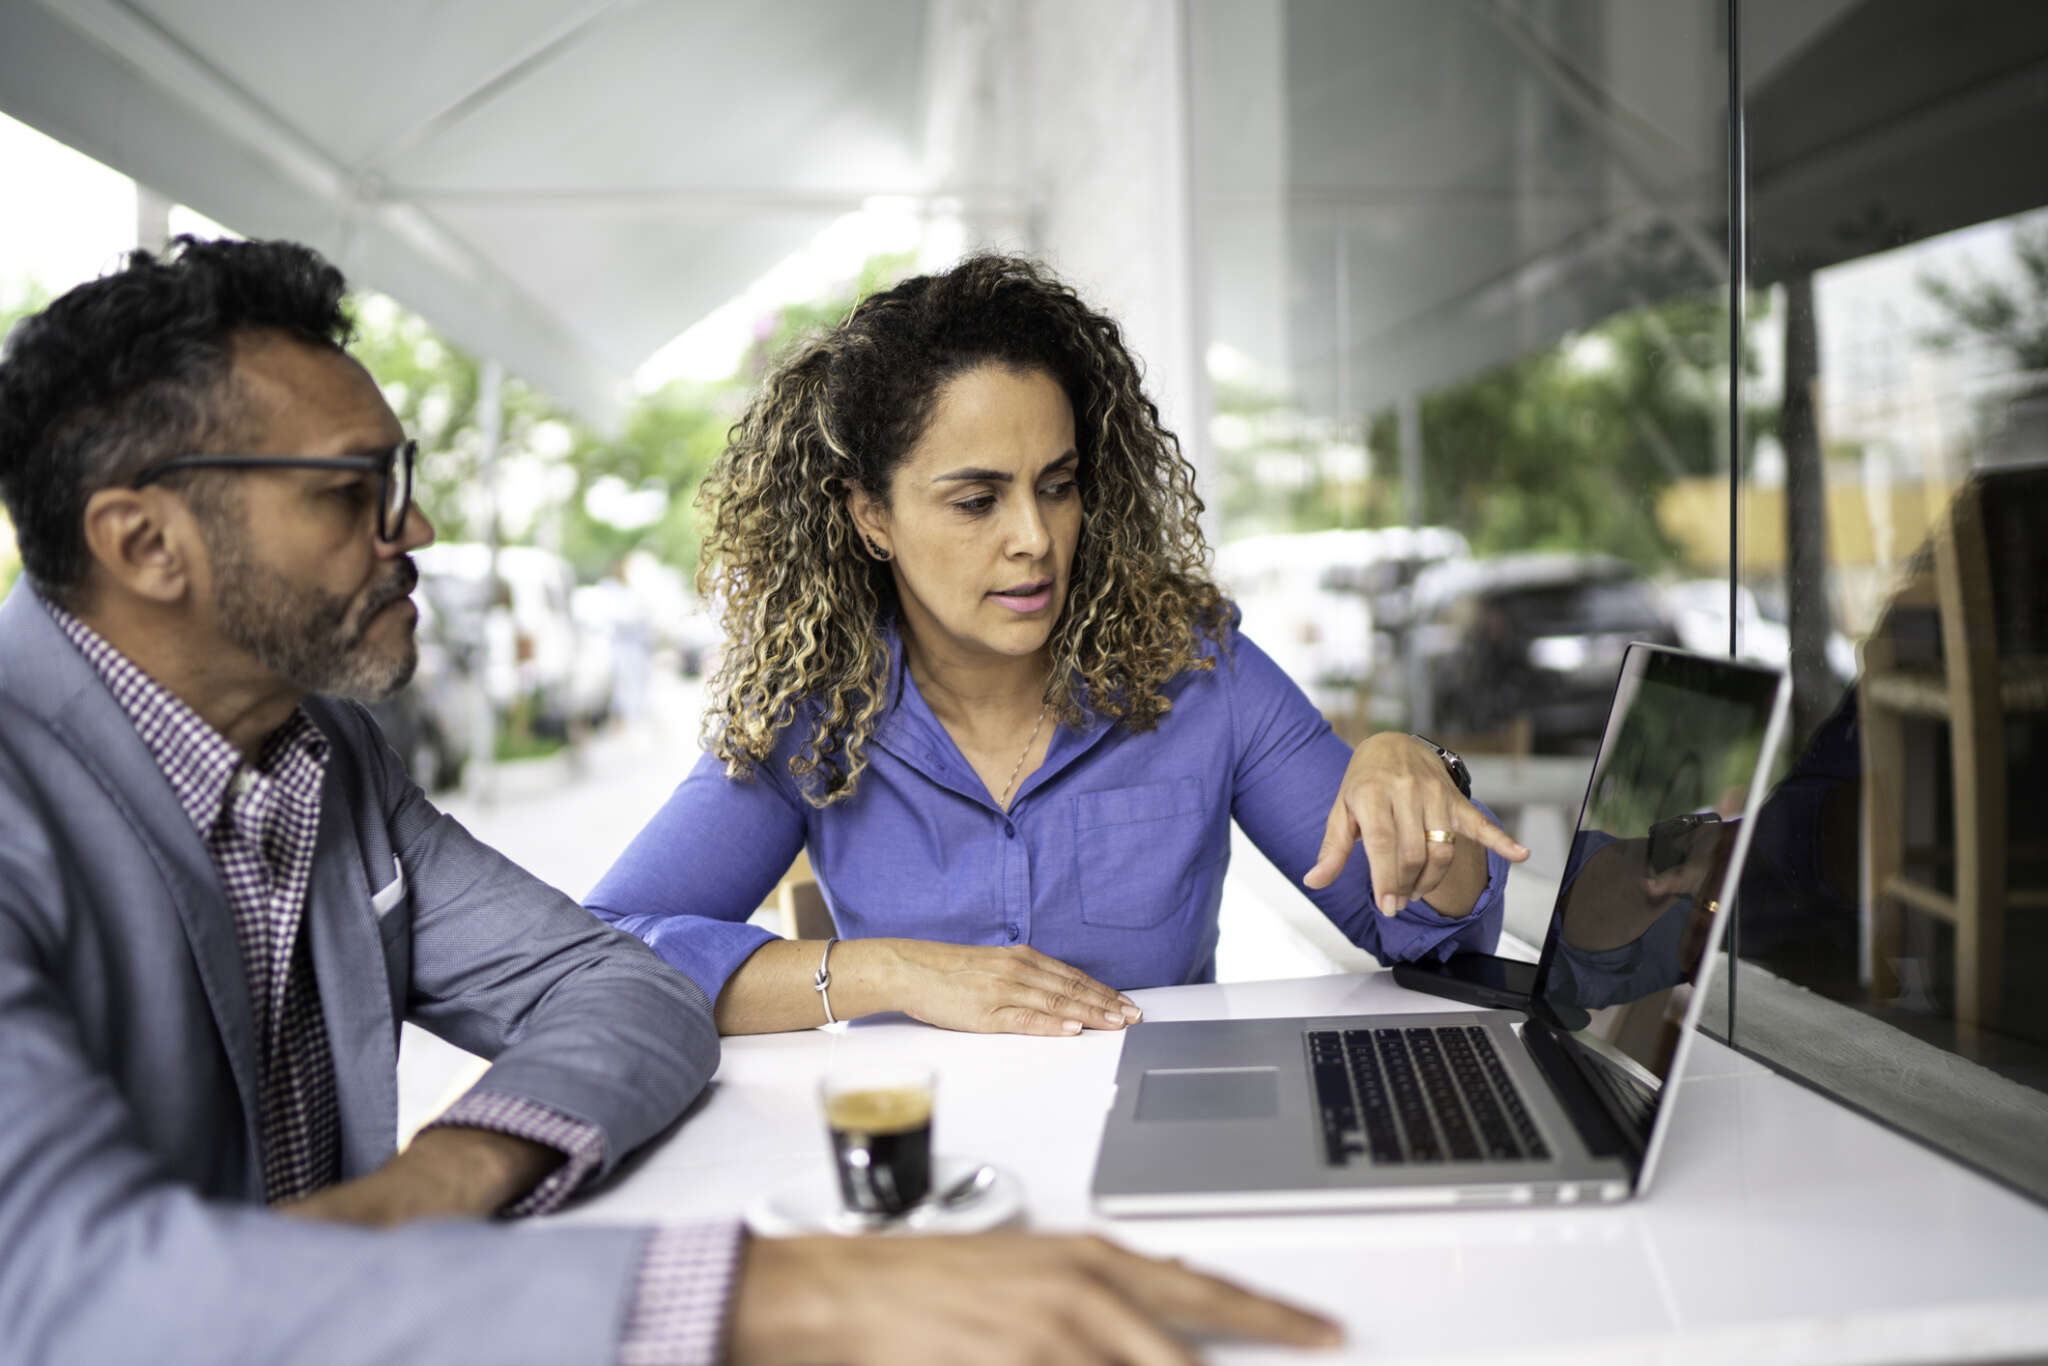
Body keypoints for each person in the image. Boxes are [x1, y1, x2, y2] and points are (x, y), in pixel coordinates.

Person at [0, 237, 1339, 1363]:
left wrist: (427, 1188)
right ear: (143, 542)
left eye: (1055, 486)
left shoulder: (329, 761)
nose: (416, 530)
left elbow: (615, 986)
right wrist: (770, 1289)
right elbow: (70, 1294)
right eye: (360, 491)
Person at [588, 254, 1531, 1037]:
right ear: (872, 516)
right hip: (933, 1181)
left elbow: (1423, 940)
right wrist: (894, 973)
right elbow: (603, 955)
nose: (1034, 539)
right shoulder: (817, 710)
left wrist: (1418, 784)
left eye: (1058, 484)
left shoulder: (1199, 670)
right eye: (976, 500)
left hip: (1166, 1159)